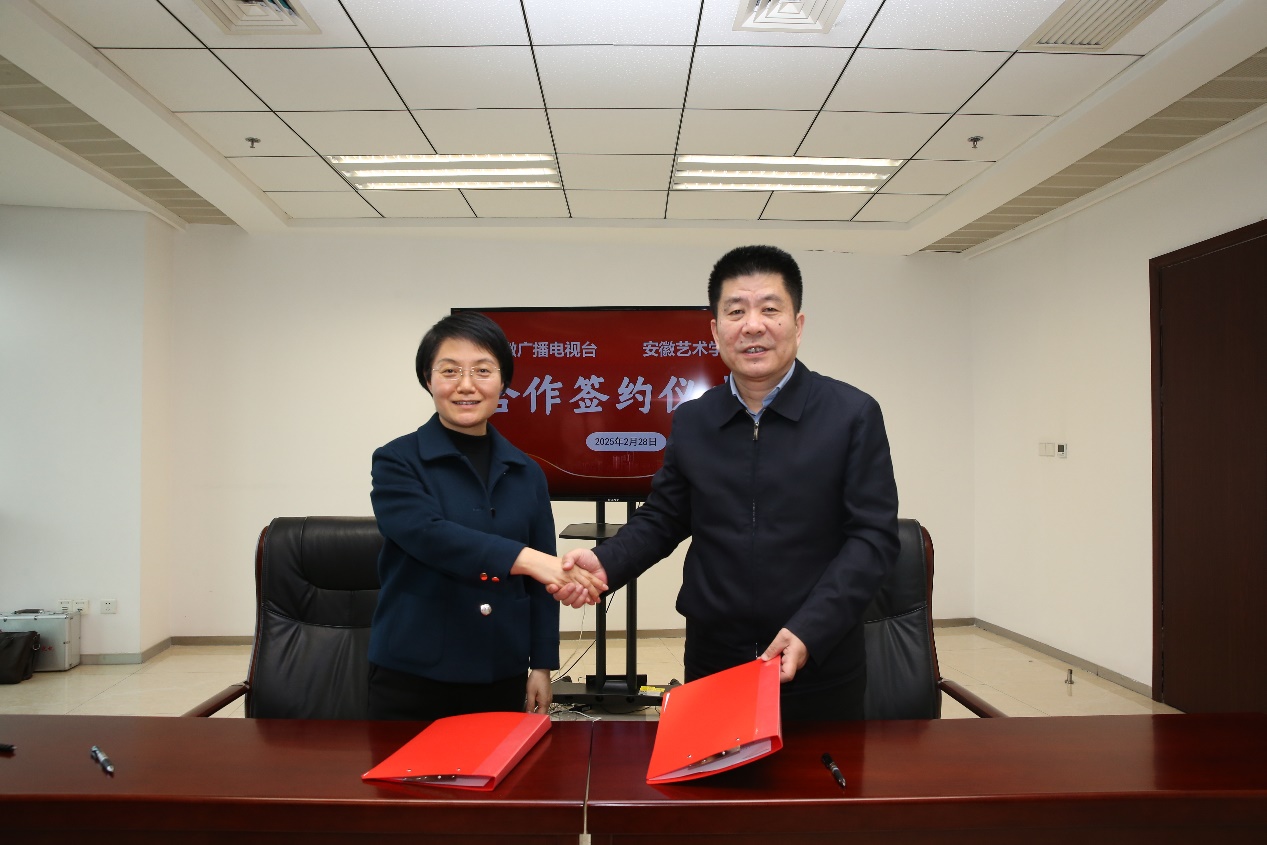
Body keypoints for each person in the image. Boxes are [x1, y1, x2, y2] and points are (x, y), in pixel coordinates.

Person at [553, 245, 899, 720]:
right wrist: (605, 562)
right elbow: (664, 517)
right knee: (714, 769)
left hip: (818, 660)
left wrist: (812, 628)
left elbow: (873, 538)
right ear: (716, 331)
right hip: (714, 658)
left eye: (770, 309)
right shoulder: (694, 420)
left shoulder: (851, 415)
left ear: (798, 325)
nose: (752, 325)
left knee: (817, 772)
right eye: (736, 312)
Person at [368, 311, 603, 720]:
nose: (466, 385)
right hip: (413, 670)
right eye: (450, 371)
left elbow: (541, 586)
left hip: (500, 666)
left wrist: (541, 664)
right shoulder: (397, 460)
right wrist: (527, 560)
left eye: (482, 370)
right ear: (427, 378)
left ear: (503, 382)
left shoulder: (526, 471)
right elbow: (428, 535)